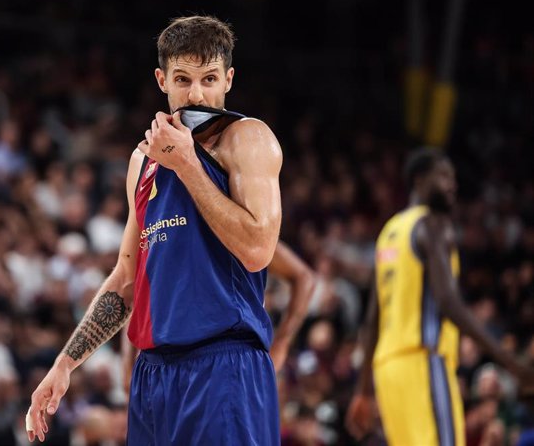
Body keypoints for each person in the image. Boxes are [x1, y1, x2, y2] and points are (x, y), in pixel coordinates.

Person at [27, 15, 284, 444]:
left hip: (223, 367)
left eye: (209, 78)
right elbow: (125, 279)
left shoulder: (247, 138)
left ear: (229, 80)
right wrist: (65, 364)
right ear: (162, 80)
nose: (196, 92)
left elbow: (258, 248)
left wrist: (187, 165)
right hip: (153, 377)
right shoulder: (141, 162)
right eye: (182, 79)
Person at [345, 147, 534, 446]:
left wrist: (364, 389)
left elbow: (372, 320)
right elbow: (449, 303)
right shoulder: (433, 225)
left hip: (388, 370)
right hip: (423, 360)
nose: (452, 185)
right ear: (420, 179)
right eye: (444, 175)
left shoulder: (389, 232)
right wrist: (510, 362)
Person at [120, 239, 316, 392]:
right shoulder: (163, 227)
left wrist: (281, 343)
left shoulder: (236, 227)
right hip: (165, 365)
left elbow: (304, 277)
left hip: (229, 363)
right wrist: (128, 366)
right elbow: (135, 293)